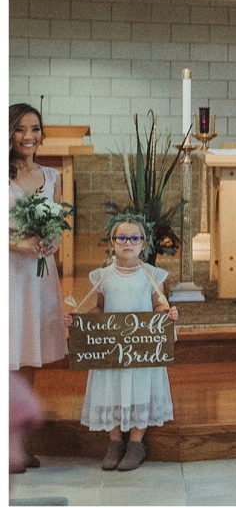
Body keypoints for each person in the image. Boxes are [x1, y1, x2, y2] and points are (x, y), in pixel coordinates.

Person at [64, 214, 178, 471]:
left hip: (140, 350)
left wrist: (168, 315)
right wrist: (80, 322)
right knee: (112, 388)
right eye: (122, 238)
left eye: (134, 238)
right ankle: (115, 441)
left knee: (139, 388)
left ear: (144, 243)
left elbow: (159, 305)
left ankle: (136, 443)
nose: (128, 242)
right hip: (112, 349)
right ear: (112, 243)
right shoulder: (103, 276)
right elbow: (98, 309)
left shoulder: (152, 275)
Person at [9, 103, 68, 470]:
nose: (28, 137)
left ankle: (19, 440)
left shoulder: (52, 176)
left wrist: (51, 241)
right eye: (20, 129)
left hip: (40, 275)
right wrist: (18, 244)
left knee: (29, 352)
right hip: (10, 272)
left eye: (35, 129)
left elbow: (59, 223)